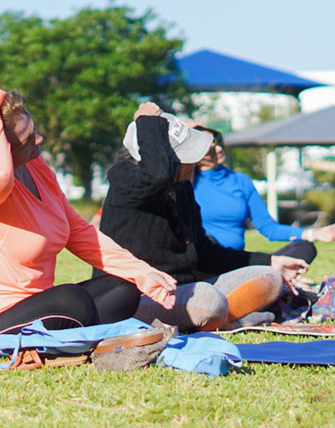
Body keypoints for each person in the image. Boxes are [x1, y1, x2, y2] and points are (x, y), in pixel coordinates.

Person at [0, 86, 177, 354]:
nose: (38, 140)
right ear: (0, 149)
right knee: (71, 302)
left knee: (122, 288)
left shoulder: (36, 168)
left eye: (35, 130)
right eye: (26, 141)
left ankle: (85, 339)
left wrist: (143, 273)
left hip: (34, 309)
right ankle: (92, 338)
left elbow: (79, 232)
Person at [100, 103, 308, 331]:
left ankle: (226, 320)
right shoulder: (126, 179)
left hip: (186, 289)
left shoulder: (182, 188)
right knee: (209, 300)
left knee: (270, 277)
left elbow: (204, 252)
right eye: (185, 156)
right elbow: (157, 176)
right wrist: (148, 122)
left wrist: (270, 261)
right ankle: (232, 320)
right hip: (139, 296)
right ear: (165, 158)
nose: (195, 162)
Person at [192, 125, 335, 265]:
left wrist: (314, 233)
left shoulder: (241, 181)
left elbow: (269, 228)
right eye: (210, 145)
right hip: (206, 261)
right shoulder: (188, 182)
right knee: (208, 243)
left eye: (218, 143)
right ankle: (274, 281)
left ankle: (274, 278)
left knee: (305, 248)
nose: (217, 149)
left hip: (239, 260)